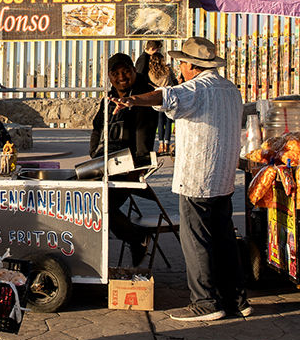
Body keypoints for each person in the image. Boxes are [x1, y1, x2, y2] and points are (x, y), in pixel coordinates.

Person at [115, 36, 247, 321]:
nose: (180, 69)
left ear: (192, 65)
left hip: (198, 177)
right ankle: (236, 299)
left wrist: (132, 99)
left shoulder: (196, 87)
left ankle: (206, 303)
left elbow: (166, 96)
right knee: (224, 238)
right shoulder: (230, 89)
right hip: (224, 179)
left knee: (197, 240)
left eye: (182, 63)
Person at [91, 52, 157, 266]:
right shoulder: (108, 98)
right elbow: (97, 126)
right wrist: (93, 153)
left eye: (126, 71)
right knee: (84, 196)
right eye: (116, 73)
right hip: (103, 165)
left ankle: (137, 237)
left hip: (129, 169)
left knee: (99, 204)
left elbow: (143, 135)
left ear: (134, 70)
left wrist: (137, 167)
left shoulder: (142, 97)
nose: (121, 77)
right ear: (110, 76)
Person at [136, 40, 177, 155]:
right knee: (168, 121)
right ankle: (166, 144)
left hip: (155, 98)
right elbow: (175, 82)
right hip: (168, 96)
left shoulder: (150, 72)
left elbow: (144, 80)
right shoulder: (167, 70)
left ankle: (160, 145)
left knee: (159, 121)